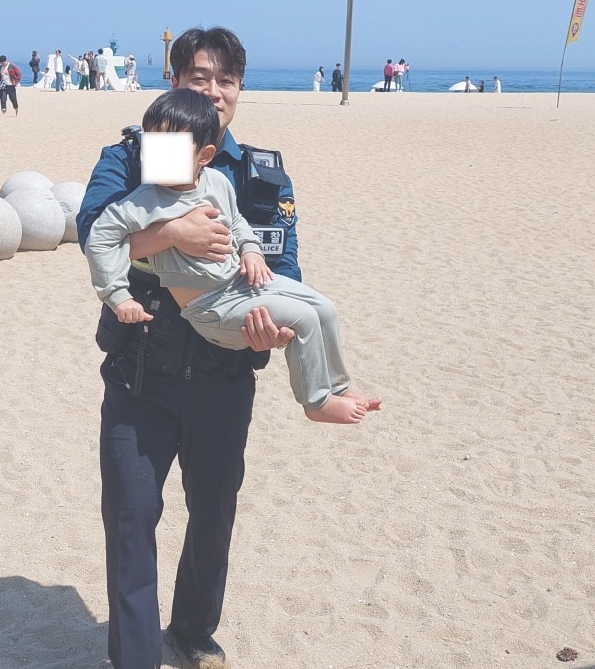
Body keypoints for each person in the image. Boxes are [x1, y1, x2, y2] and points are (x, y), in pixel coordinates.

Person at [76, 25, 301, 669]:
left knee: (213, 510)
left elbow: (283, 266)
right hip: (140, 369)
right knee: (130, 515)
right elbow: (94, 237)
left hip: (223, 373)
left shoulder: (259, 174)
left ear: (239, 89)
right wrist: (169, 236)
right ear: (173, 81)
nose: (213, 90)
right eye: (198, 77)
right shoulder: (131, 155)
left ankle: (193, 630)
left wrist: (273, 324)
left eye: (225, 80)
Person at [86, 88, 379, 426]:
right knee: (303, 318)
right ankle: (316, 402)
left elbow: (237, 222)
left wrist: (251, 249)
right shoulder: (144, 201)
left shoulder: (216, 183)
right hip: (210, 308)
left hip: (240, 284)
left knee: (324, 308)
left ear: (204, 155)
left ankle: (338, 387)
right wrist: (117, 295)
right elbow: (99, 238)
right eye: (153, 146)